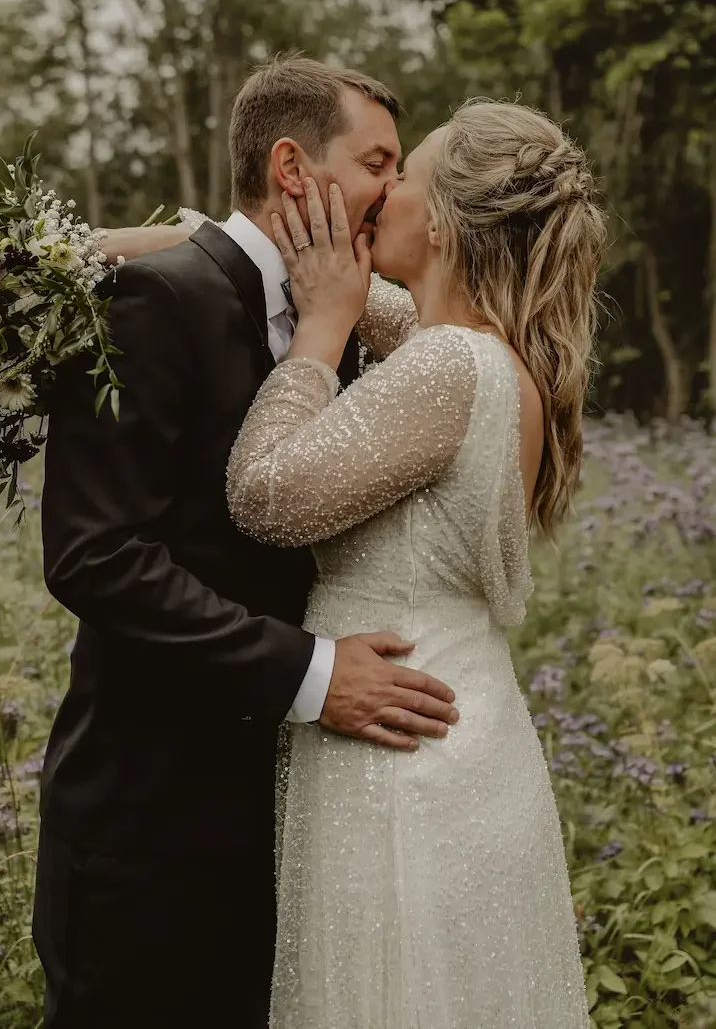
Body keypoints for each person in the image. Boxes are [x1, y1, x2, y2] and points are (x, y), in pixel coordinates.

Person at [114, 96, 607, 1027]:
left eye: (404, 176)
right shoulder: (490, 355)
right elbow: (306, 271)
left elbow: (263, 498)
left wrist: (317, 338)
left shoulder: (444, 367)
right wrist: (109, 245)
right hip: (461, 730)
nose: (382, 197)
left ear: (447, 218)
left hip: (398, 753)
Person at [32, 55, 460, 1029]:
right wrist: (312, 675)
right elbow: (97, 556)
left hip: (294, 822)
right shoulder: (156, 300)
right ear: (292, 168)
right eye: (377, 161)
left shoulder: (343, 316)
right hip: (147, 828)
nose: (394, 191)